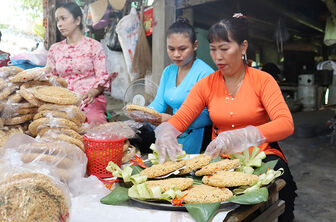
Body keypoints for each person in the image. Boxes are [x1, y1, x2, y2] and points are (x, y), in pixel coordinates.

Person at [154, 13, 297, 222]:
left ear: (243, 47)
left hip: (261, 155)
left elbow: (286, 124)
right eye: (213, 49)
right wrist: (167, 132)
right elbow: (181, 118)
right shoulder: (206, 84)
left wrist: (246, 135)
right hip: (221, 158)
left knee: (284, 191)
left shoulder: (263, 81)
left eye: (224, 49)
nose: (218, 57)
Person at [130, 17, 214, 154]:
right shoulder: (169, 71)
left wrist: (172, 120)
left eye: (182, 49)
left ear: (195, 45)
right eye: (171, 49)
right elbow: (159, 103)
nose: (176, 55)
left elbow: (208, 116)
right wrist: (144, 113)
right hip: (171, 133)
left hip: (197, 136)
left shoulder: (205, 73)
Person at [47, 2, 114, 125]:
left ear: (77, 20)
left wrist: (92, 93)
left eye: (63, 18)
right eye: (57, 20)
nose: (59, 24)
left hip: (89, 99)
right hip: (63, 100)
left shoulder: (94, 46)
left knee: (94, 121)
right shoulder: (55, 49)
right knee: (52, 124)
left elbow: (102, 77)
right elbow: (50, 78)